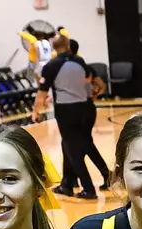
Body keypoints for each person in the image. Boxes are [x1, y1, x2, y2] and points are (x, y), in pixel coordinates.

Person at [41, 35, 107, 201]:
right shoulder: (81, 65)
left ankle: (87, 186)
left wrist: (38, 108)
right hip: (86, 108)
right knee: (77, 144)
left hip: (68, 110)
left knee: (73, 148)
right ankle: (69, 182)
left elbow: (44, 91)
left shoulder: (57, 66)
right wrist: (93, 95)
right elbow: (99, 85)